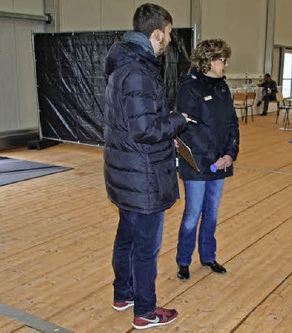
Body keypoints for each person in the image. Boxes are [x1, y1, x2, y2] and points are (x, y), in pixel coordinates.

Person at [104, 3, 191, 330]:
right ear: (157, 33)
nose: (169, 39)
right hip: (142, 177)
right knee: (145, 247)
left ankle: (122, 294)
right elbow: (146, 130)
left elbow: (133, 125)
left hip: (126, 173)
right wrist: (177, 122)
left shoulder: (123, 66)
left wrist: (164, 127)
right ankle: (145, 311)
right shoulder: (138, 72)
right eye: (168, 34)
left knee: (126, 235)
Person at [174, 39, 240, 281]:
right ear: (208, 61)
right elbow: (185, 129)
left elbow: (232, 124)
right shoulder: (189, 88)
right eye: (222, 60)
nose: (225, 64)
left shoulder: (223, 88)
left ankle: (208, 256)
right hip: (197, 164)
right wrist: (211, 157)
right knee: (193, 214)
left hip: (220, 163)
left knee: (211, 213)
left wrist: (229, 155)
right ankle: (183, 261)